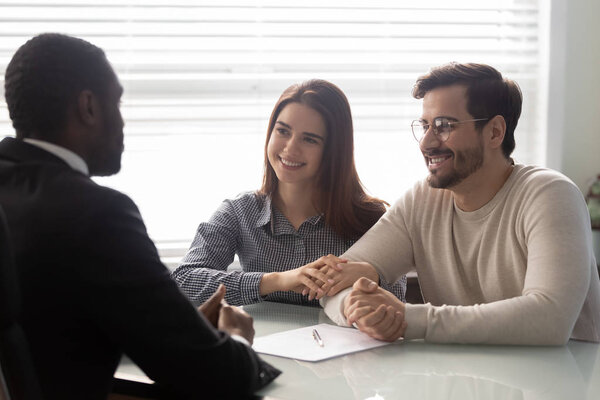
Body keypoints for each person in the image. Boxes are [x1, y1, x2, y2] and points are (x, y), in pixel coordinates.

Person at [0, 33, 279, 400]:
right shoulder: (97, 214)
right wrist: (237, 337)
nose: (123, 122)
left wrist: (184, 329)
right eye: (116, 102)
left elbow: (55, 321)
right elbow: (218, 376)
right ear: (88, 107)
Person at [320, 62, 600, 345]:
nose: (426, 142)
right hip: (464, 376)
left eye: (444, 126)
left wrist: (408, 318)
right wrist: (356, 309)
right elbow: (331, 283)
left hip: (565, 379)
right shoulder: (421, 201)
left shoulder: (550, 195)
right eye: (425, 126)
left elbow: (549, 319)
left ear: (494, 132)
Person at [172, 80, 407, 306]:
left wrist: (368, 276)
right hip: (259, 345)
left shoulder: (370, 218)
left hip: (342, 346)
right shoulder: (239, 211)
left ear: (333, 151)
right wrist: (277, 280)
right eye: (283, 131)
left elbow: (395, 300)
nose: (290, 148)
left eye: (309, 139)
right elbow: (183, 281)